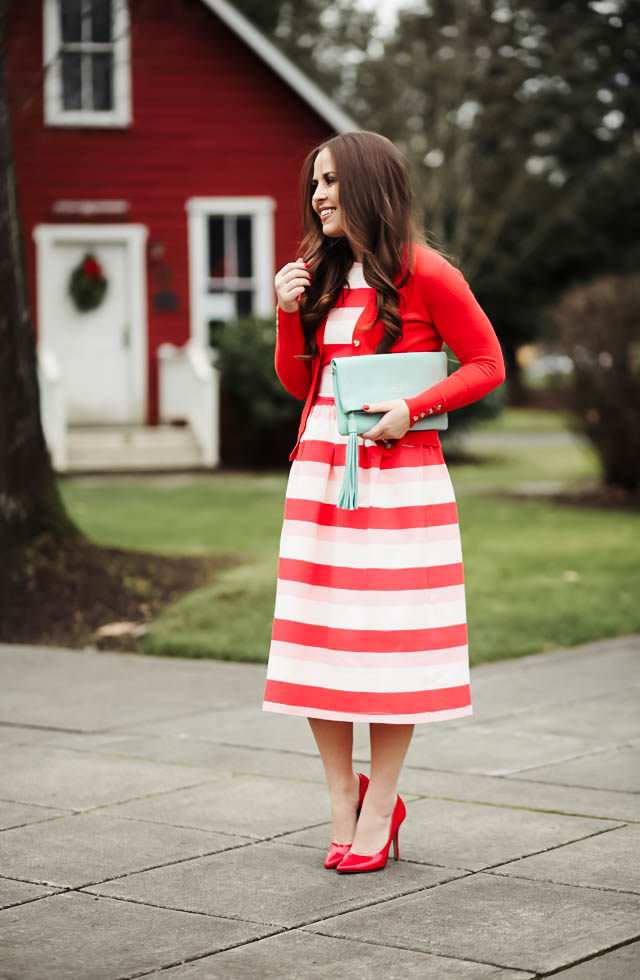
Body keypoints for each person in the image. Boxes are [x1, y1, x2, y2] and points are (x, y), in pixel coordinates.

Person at [262, 131, 505, 873]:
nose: (318, 196)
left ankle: (383, 800)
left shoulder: (428, 272)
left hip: (403, 482)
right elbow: (296, 383)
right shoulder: (320, 275)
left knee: (391, 648)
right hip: (322, 477)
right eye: (314, 183)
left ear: (368, 185)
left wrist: (414, 407)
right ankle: (344, 800)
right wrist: (284, 313)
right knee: (319, 640)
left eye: (331, 181)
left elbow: (487, 363)